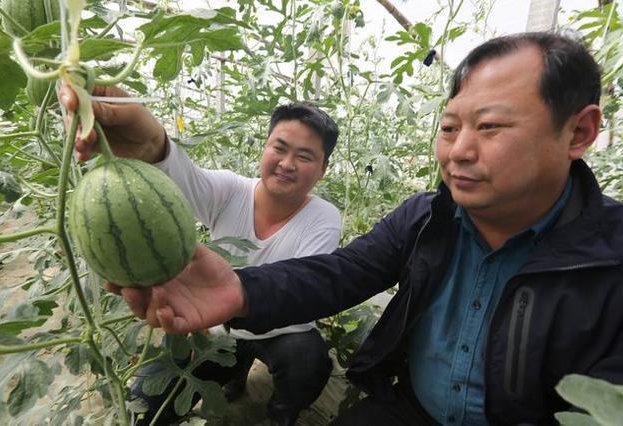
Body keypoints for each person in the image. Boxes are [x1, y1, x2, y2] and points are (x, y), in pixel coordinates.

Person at [108, 32, 623, 425]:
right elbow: (340, 275)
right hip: (409, 410)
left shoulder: (612, 256)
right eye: (449, 128)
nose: (459, 150)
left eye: (489, 126)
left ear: (579, 132)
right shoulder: (425, 217)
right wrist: (239, 288)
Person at [62, 87, 341, 425]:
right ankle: (234, 374)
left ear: (323, 168)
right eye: (279, 148)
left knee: (308, 360)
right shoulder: (229, 189)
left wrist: (228, 308)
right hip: (214, 328)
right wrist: (153, 145)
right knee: (144, 405)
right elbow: (180, 174)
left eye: (304, 156)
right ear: (265, 148)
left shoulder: (324, 217)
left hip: (276, 331)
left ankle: (280, 415)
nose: (286, 163)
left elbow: (300, 300)